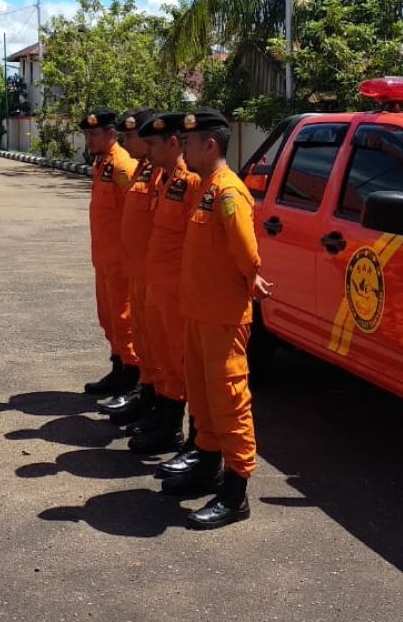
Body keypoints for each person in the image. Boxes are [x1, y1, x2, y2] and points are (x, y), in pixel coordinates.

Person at [161, 108, 271, 530]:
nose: (182, 147)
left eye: (188, 142)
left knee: (228, 399)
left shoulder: (227, 192)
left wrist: (252, 277)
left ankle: (236, 490)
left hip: (223, 317)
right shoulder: (205, 188)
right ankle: (207, 466)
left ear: (210, 145)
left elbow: (246, 251)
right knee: (204, 397)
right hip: (199, 313)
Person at [131, 112, 200, 458]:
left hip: (177, 290)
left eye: (153, 144)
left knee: (182, 362)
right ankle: (167, 425)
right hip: (157, 285)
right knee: (162, 356)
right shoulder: (163, 176)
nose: (147, 150)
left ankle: (192, 440)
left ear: (173, 144)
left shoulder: (191, 181)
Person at [100, 108, 159, 426]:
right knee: (118, 323)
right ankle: (129, 383)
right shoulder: (140, 169)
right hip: (119, 261)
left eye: (132, 136)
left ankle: (136, 390)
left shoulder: (131, 168)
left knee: (142, 335)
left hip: (140, 269)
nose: (128, 141)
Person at [80, 108, 141, 397]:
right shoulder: (101, 163)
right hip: (103, 259)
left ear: (111, 135)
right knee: (109, 318)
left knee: (124, 320)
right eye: (87, 134)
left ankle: (131, 380)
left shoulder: (122, 167)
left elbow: (138, 213)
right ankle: (118, 370)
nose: (89, 139)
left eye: (94, 134)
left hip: (121, 261)